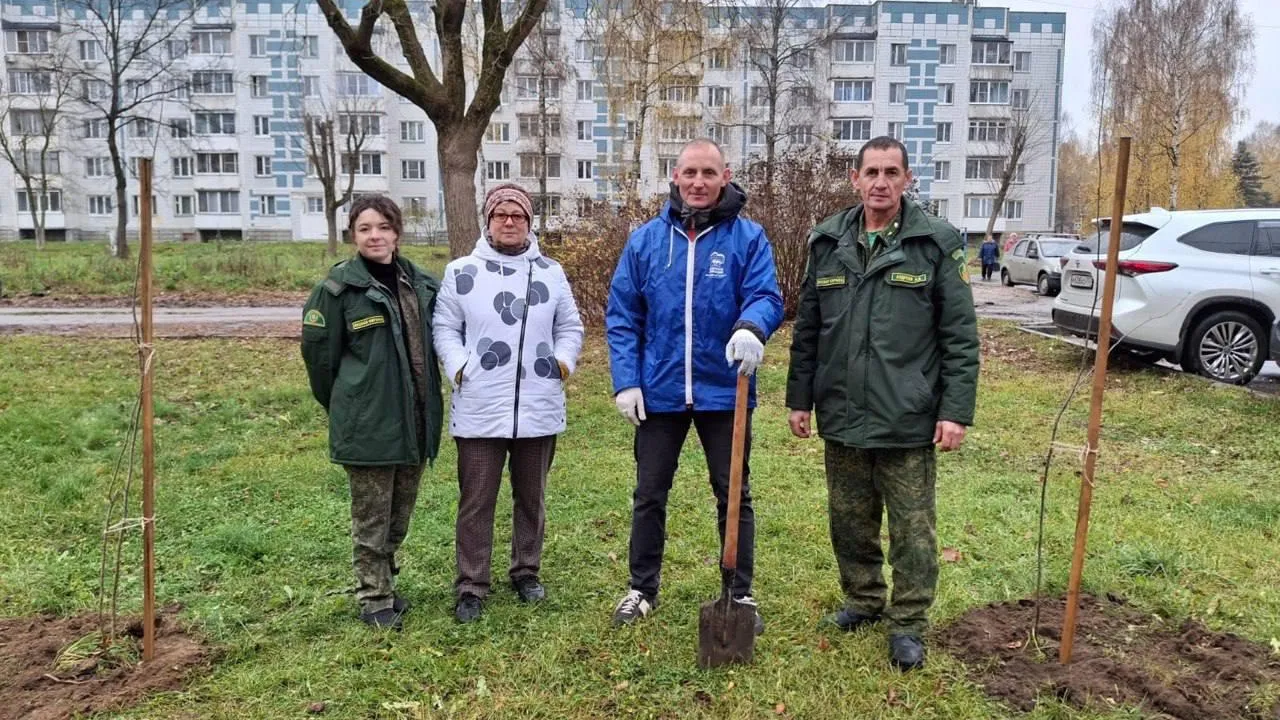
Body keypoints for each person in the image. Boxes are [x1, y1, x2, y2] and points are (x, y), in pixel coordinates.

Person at [785, 136, 979, 671]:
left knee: (913, 529)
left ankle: (909, 623)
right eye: (871, 171)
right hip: (842, 410)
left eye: (892, 172)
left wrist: (955, 411)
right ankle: (864, 600)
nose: (880, 182)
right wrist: (800, 399)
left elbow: (960, 336)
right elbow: (808, 330)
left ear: (908, 179)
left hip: (908, 414)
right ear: (855, 178)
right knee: (849, 519)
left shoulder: (935, 243)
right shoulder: (827, 241)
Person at [605, 138, 783, 633]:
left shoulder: (748, 238)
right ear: (675, 179)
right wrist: (627, 380)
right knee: (649, 493)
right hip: (659, 392)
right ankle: (642, 588)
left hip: (725, 391)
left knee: (733, 494)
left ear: (725, 177)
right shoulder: (645, 241)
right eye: (690, 173)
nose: (699, 182)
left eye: (709, 173)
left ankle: (740, 593)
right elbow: (622, 315)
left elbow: (766, 294)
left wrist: (752, 326)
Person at [433, 183, 584, 624]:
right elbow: (445, 326)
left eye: (518, 215)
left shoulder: (551, 273)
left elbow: (570, 326)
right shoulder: (462, 272)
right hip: (480, 404)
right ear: (488, 220)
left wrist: (561, 362)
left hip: (537, 404)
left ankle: (526, 571)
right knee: (477, 499)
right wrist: (461, 366)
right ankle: (472, 585)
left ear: (530, 222)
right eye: (502, 215)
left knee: (531, 496)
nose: (510, 222)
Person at [301, 195, 444, 632]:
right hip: (369, 425)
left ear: (397, 232)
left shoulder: (422, 284)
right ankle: (373, 597)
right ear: (353, 235)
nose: (375, 235)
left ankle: (385, 581)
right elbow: (320, 364)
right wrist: (353, 406)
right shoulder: (336, 291)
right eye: (365, 229)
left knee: (399, 514)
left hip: (415, 420)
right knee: (372, 516)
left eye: (383, 226)